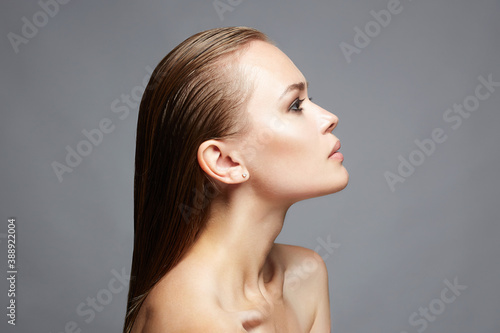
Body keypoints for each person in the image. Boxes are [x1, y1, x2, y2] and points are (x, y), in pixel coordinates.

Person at [124, 26, 348, 333]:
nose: (329, 117)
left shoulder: (304, 275)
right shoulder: (194, 317)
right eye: (295, 105)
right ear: (226, 161)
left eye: (310, 99)